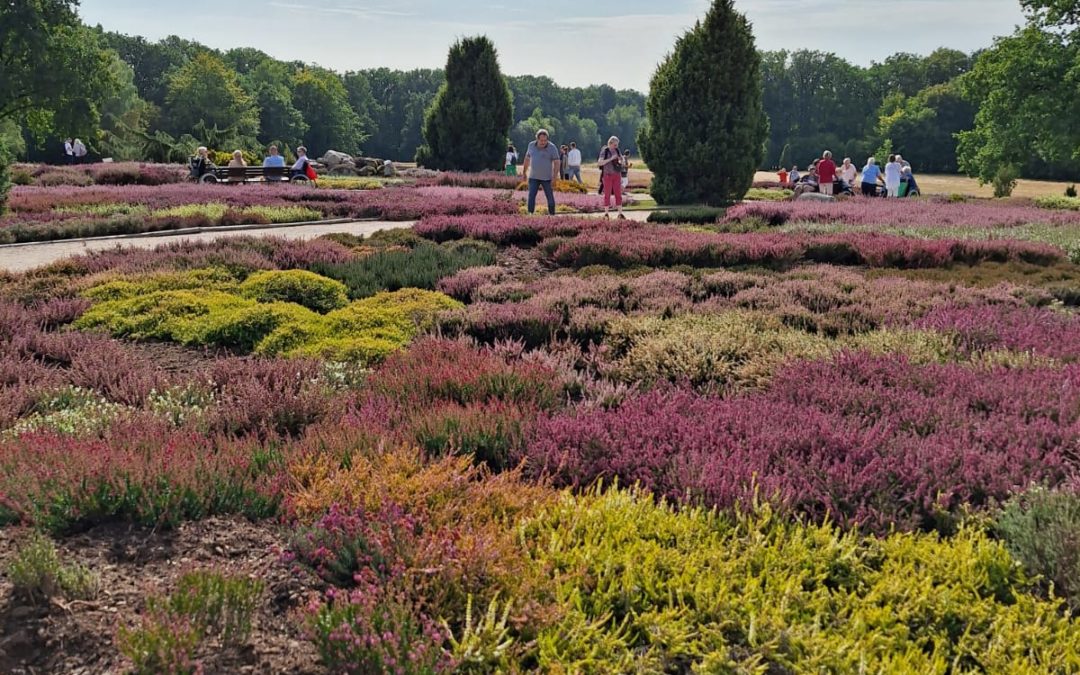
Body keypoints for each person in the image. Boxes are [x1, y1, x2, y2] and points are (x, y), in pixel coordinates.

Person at [521, 129, 561, 215]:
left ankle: (552, 215)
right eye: (541, 140)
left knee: (550, 197)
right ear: (537, 139)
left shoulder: (552, 147)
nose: (543, 142)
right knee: (531, 196)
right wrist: (524, 172)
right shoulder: (531, 145)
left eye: (545, 140)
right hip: (533, 177)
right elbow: (527, 159)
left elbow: (557, 162)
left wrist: (555, 177)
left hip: (547, 178)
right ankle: (530, 215)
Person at [598, 136, 626, 219]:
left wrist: (622, 161)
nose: (616, 147)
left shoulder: (617, 150)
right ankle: (606, 214)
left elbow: (622, 159)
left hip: (617, 175)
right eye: (615, 145)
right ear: (610, 143)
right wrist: (611, 159)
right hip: (607, 175)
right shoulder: (605, 151)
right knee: (607, 194)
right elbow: (599, 163)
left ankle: (620, 214)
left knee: (618, 194)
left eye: (617, 145)